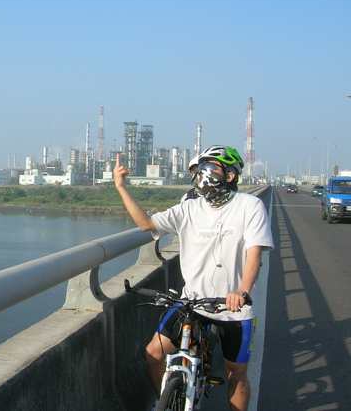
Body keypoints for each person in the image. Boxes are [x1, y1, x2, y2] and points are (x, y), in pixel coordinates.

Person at [113, 145, 273, 411]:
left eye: (209, 169)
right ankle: (167, 403)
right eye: (198, 170)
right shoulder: (189, 208)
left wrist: (242, 292)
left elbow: (254, 255)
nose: (201, 175)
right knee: (154, 354)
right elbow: (147, 224)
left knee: (236, 373)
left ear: (230, 175)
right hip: (193, 300)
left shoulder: (250, 206)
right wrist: (121, 187)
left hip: (234, 307)